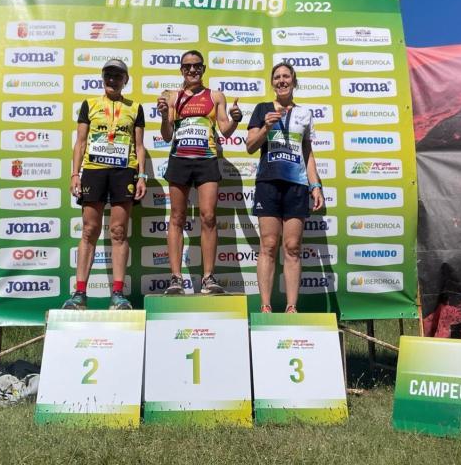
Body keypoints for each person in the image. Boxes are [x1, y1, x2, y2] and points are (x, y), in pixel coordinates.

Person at [157, 50, 243, 295]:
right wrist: (165, 115)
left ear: (203, 69)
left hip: (206, 160)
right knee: (176, 217)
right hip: (180, 160)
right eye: (187, 67)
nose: (192, 70)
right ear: (181, 70)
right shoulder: (173, 97)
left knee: (208, 217)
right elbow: (166, 135)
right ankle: (175, 278)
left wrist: (237, 118)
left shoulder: (215, 96)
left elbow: (225, 130)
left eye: (196, 66)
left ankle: (208, 278)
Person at [65, 59, 147, 309]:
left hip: (124, 172)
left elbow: (140, 145)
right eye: (108, 75)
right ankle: (79, 294)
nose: (112, 79)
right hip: (93, 171)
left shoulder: (135, 107)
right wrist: (74, 174)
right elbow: (80, 142)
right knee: (89, 230)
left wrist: (142, 176)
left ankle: (118, 295)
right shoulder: (89, 104)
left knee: (119, 232)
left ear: (126, 80)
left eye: (118, 75)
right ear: (103, 78)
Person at [246, 62, 324, 313]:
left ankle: (292, 307)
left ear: (294, 80)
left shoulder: (305, 114)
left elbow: (307, 152)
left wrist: (315, 185)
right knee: (268, 245)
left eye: (286, 76)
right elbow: (250, 146)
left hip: (297, 185)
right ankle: (265, 305)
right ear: (272, 82)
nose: (281, 80)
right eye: (277, 77)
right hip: (268, 183)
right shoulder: (262, 109)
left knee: (292, 247)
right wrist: (267, 127)